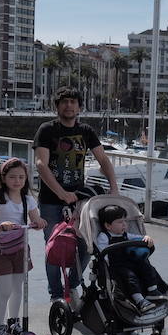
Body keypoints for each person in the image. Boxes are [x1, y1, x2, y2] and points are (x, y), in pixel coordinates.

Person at [33, 86, 119, 301]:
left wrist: (114, 188)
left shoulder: (86, 132)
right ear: (57, 106)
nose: (69, 105)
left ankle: (71, 287)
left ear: (80, 107)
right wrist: (61, 193)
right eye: (64, 102)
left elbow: (104, 160)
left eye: (73, 102)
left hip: (81, 203)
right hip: (51, 202)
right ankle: (55, 295)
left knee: (86, 246)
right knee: (55, 250)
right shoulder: (47, 130)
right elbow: (41, 164)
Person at [0, 158, 46, 335]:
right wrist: (0, 227)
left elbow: (36, 219)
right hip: (1, 250)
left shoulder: (28, 199)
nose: (17, 181)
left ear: (26, 178)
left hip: (20, 248)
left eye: (21, 177)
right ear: (3, 178)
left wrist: (40, 223)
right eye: (12, 177)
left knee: (18, 288)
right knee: (4, 290)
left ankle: (13, 322)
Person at [96, 204, 168, 314]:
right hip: (117, 266)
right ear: (108, 225)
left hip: (129, 262)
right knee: (130, 276)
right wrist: (106, 267)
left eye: (125, 221)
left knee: (146, 265)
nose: (124, 224)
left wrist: (146, 237)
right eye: (120, 222)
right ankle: (140, 301)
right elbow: (103, 253)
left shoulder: (126, 235)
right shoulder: (104, 236)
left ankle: (152, 291)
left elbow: (137, 238)